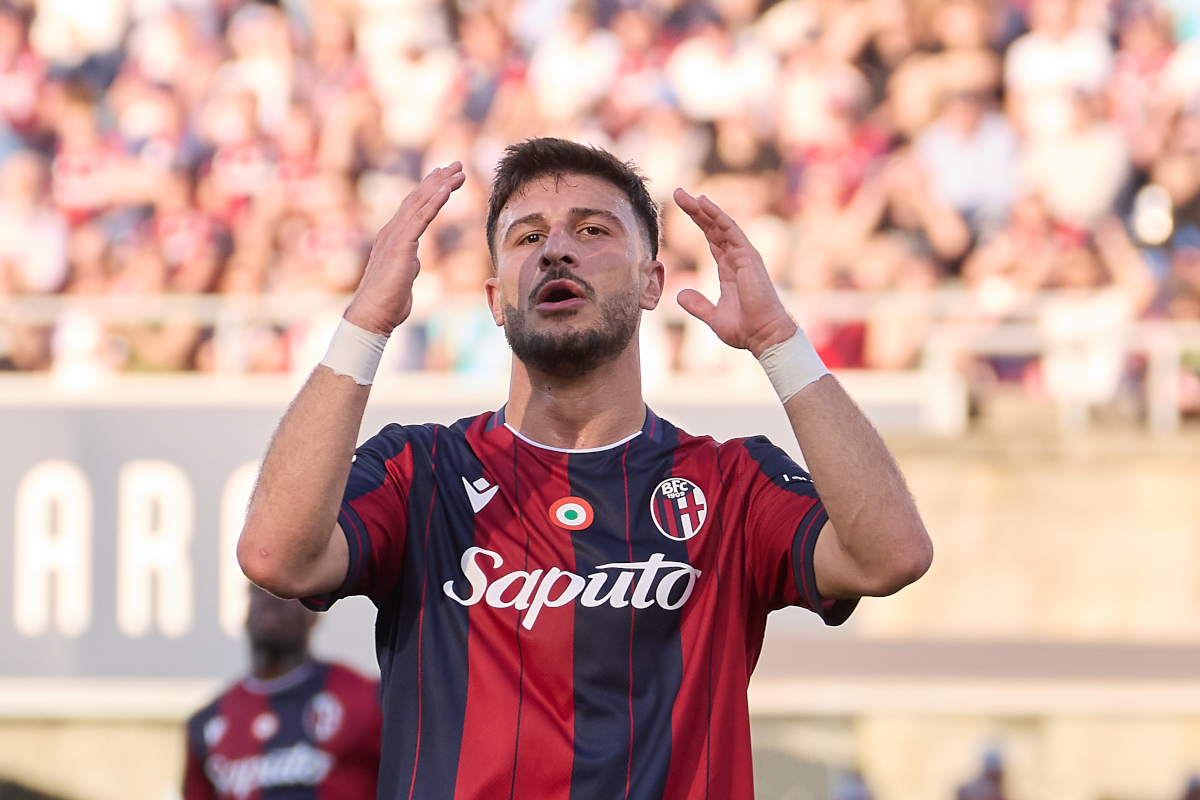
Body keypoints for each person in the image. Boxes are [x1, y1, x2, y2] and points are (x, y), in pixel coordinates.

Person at [237, 137, 932, 799]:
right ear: (494, 300)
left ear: (653, 281)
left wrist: (780, 344)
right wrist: (365, 323)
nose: (557, 250)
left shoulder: (730, 483)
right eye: (527, 236)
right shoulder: (420, 470)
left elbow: (890, 557)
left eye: (593, 230)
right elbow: (276, 556)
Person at [182, 586, 382, 800]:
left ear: (315, 612)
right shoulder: (208, 722)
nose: (271, 599)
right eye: (258, 591)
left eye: (287, 591)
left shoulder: (364, 699)